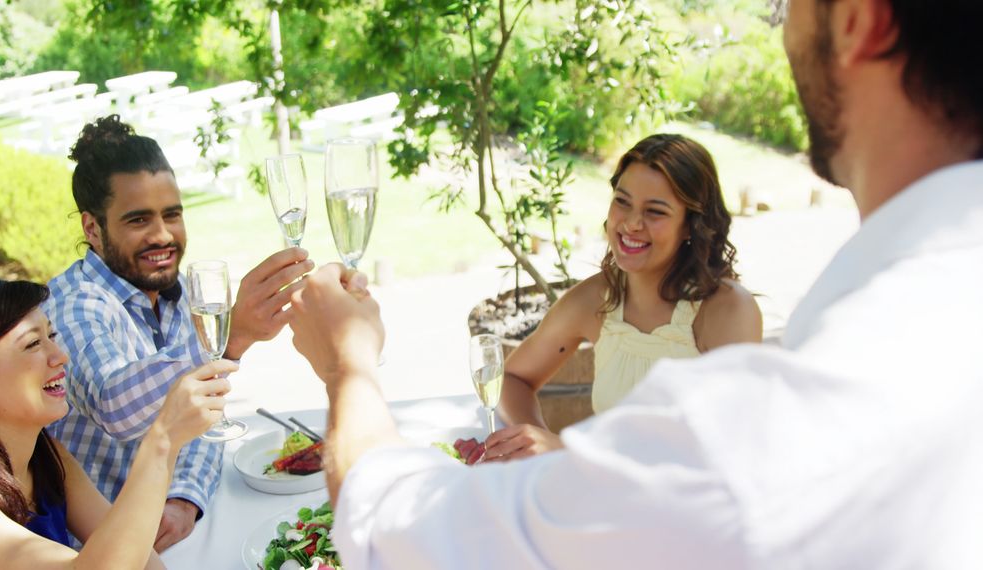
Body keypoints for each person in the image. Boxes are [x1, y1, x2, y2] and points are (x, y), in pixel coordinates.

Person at [286, 0, 983, 567]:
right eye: (623, 201)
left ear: (860, 18)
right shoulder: (933, 325)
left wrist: (347, 365)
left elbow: (402, 536)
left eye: (783, 5)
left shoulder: (763, 422)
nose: (779, 24)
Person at [44, 115, 314, 551]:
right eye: (138, 220)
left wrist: (184, 496)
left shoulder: (182, 293)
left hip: (162, 540)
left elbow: (208, 420)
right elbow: (115, 407)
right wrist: (232, 337)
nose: (163, 235)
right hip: (91, 548)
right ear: (92, 228)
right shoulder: (74, 304)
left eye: (172, 214)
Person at [0, 279, 237, 569]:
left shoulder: (47, 456)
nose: (60, 355)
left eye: (52, 335)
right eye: (33, 344)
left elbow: (141, 561)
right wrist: (163, 440)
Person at [489, 133, 761, 462]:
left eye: (655, 211)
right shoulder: (595, 298)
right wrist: (534, 442)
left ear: (691, 225)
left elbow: (728, 448)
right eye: (622, 201)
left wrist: (568, 451)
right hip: (605, 497)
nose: (631, 223)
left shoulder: (728, 311)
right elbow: (513, 379)